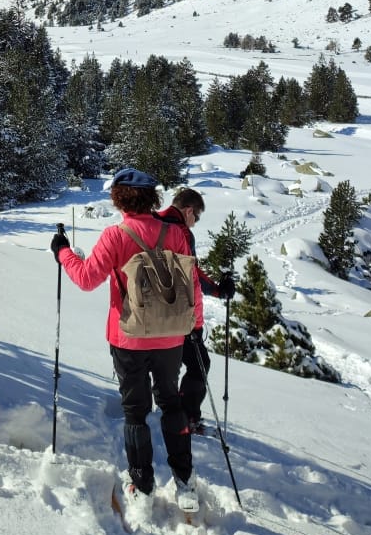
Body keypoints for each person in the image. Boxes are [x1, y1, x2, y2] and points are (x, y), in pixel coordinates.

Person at [50, 168, 203, 515]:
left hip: (128, 338)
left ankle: (143, 485)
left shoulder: (115, 236)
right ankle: (184, 481)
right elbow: (191, 283)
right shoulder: (176, 233)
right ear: (153, 198)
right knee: (172, 404)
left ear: (119, 199)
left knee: (136, 412)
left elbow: (87, 279)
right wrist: (195, 326)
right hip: (171, 337)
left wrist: (63, 253)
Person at [159, 188, 236, 434]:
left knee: (168, 366)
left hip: (152, 312)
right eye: (197, 217)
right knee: (199, 365)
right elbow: (190, 273)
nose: (195, 223)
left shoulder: (153, 223)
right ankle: (186, 417)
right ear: (189, 210)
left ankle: (169, 414)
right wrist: (218, 290)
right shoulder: (181, 231)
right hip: (183, 315)